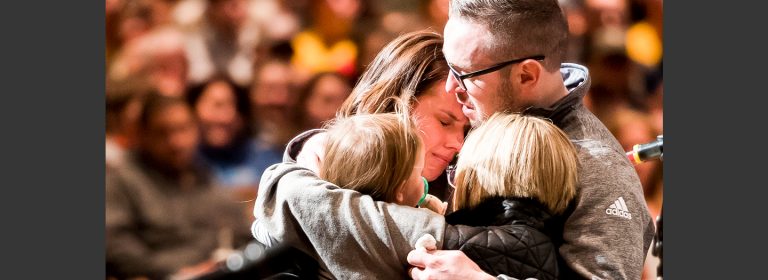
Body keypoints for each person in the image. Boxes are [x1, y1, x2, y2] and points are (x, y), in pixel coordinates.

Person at [409, 0, 655, 279]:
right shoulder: (470, 116)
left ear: (526, 75)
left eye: (464, 73)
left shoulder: (598, 167)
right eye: (449, 67)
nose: (451, 86)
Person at [106, 94, 252, 279]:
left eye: (183, 129)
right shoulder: (123, 179)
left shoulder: (203, 175)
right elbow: (116, 245)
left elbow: (239, 229)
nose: (177, 142)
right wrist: (174, 272)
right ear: (144, 135)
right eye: (163, 133)